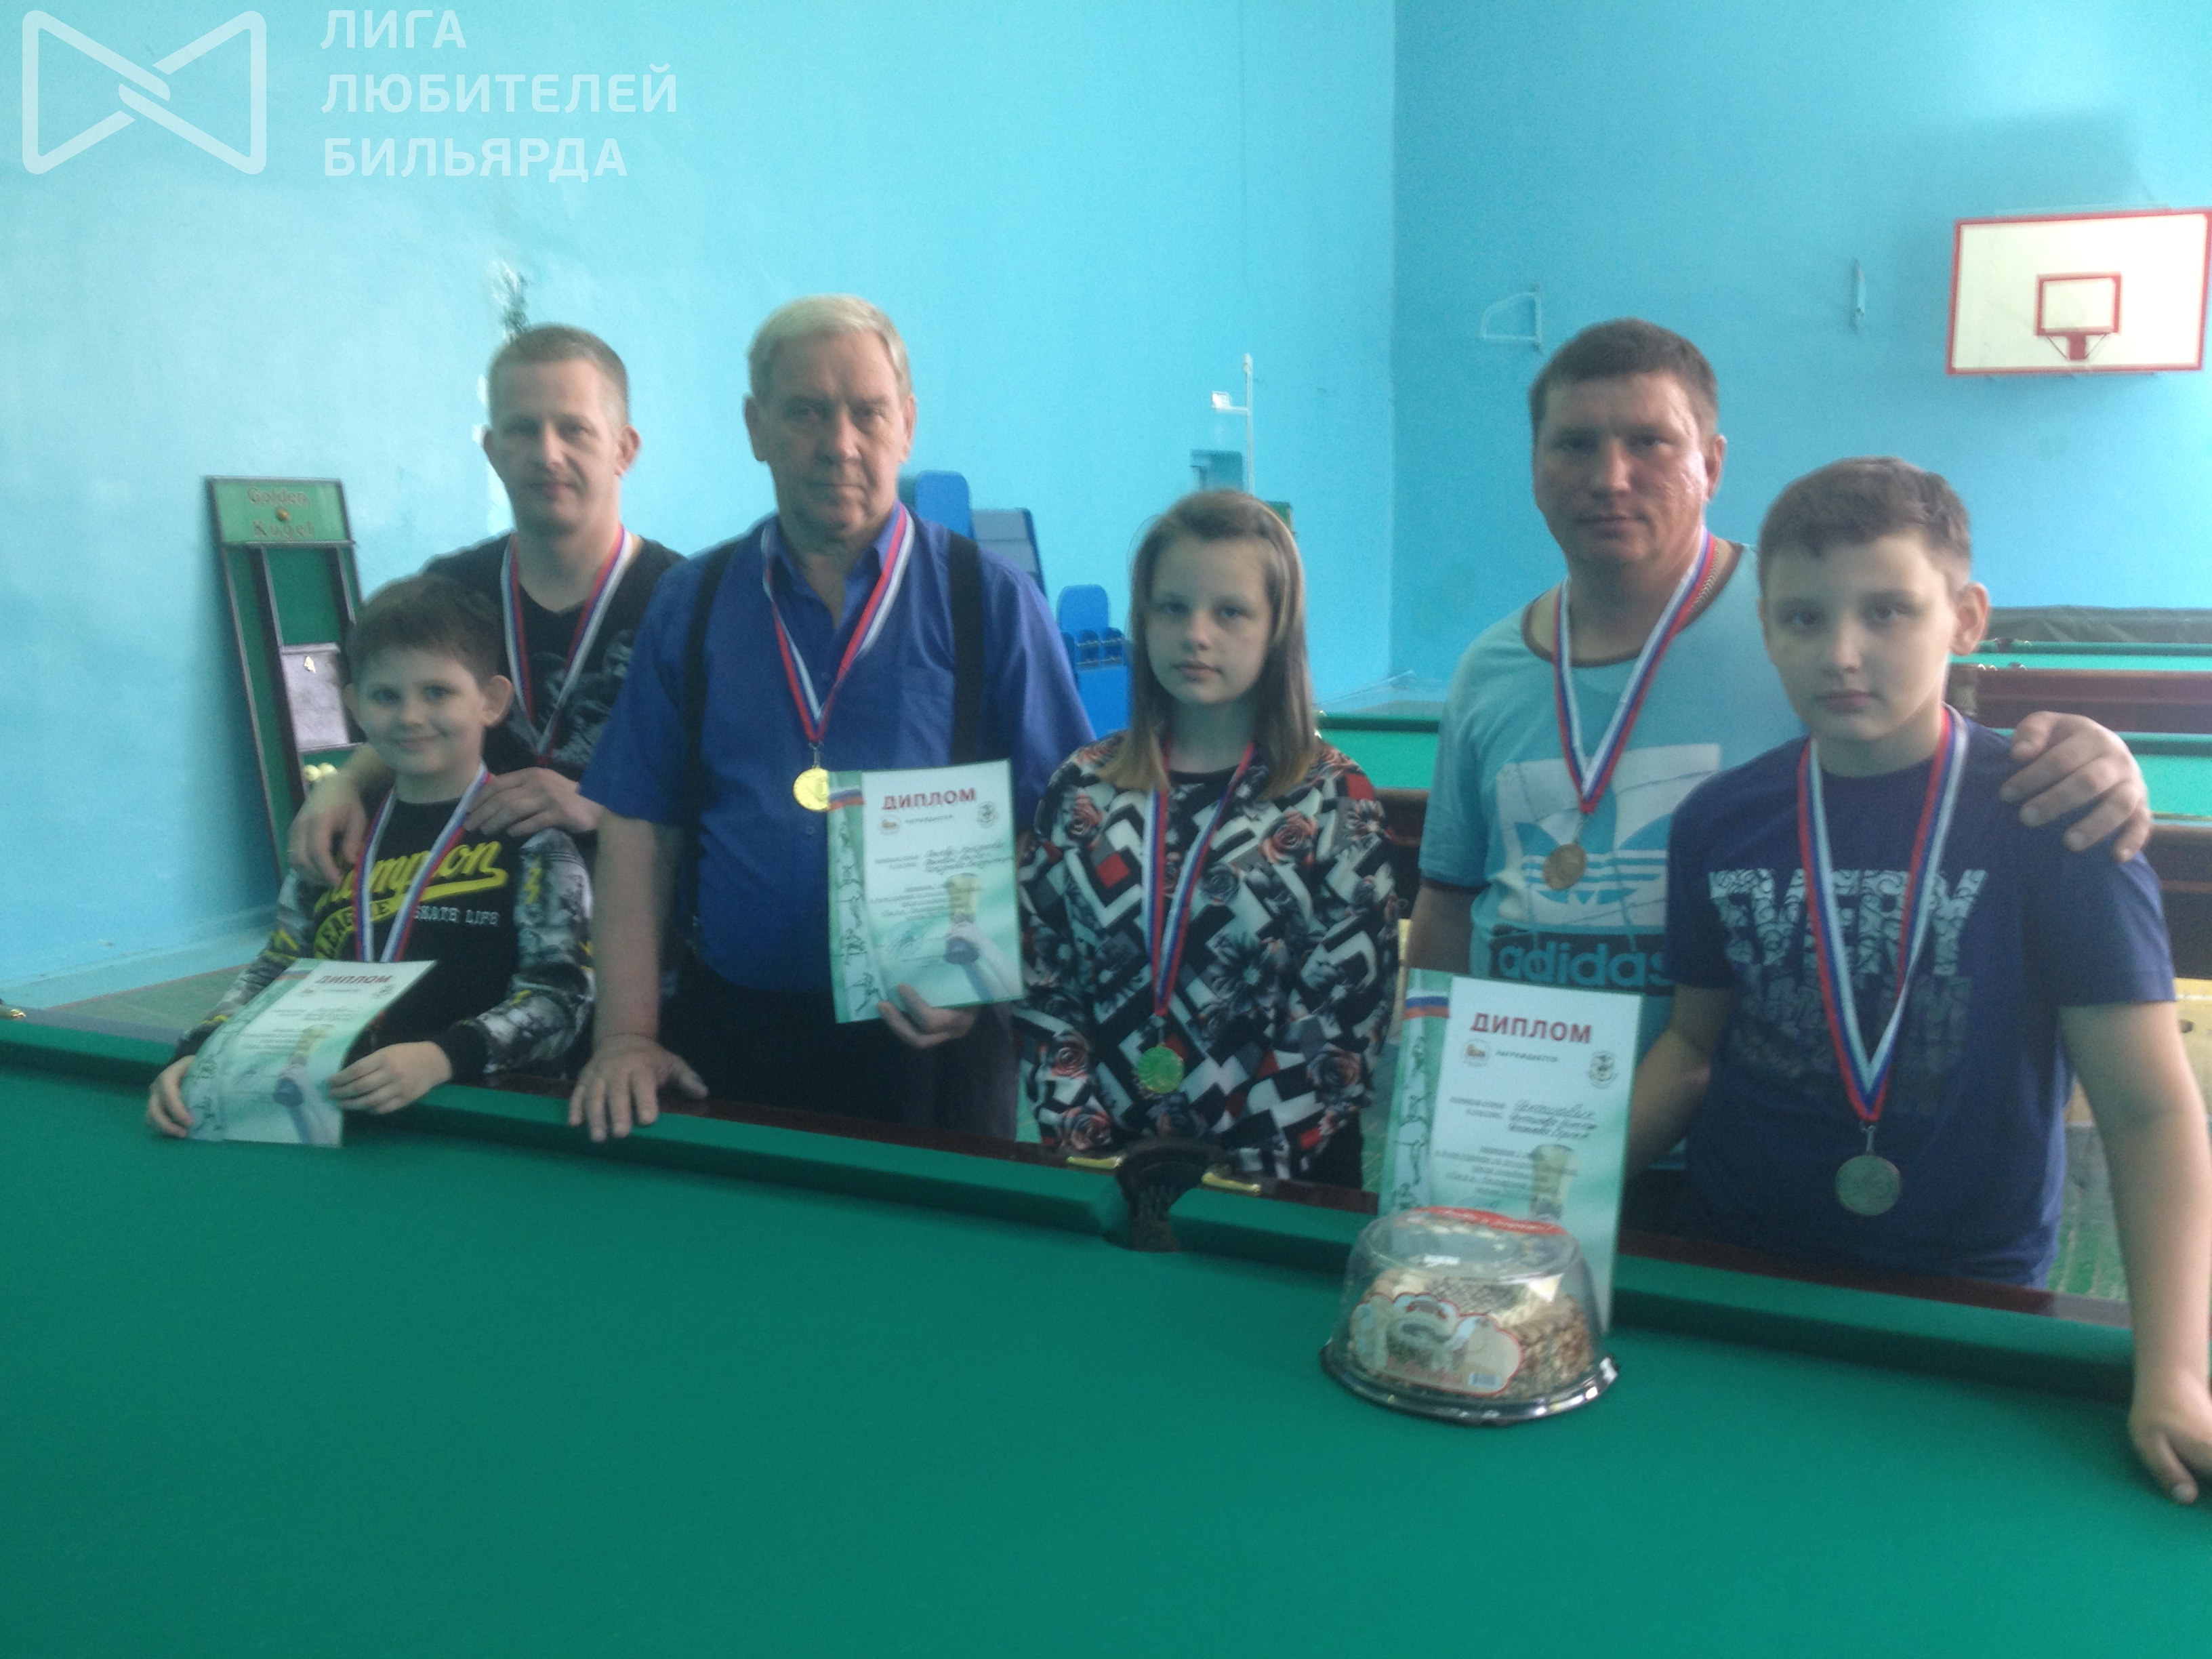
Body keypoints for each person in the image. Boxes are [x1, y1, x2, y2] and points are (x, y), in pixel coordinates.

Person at [1629, 457, 2212, 1502]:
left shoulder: (2056, 815)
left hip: (1967, 1290)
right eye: (1803, 618)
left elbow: (2149, 1112)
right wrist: (1544, 1201)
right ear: (1766, 629)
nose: (1842, 653)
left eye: (1888, 611)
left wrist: (2174, 1372)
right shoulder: (1718, 820)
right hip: (1739, 1267)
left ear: (1966, 618)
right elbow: (1691, 1049)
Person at [1405, 319, 2154, 1057]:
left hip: (1734, 1109)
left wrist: (2098, 756)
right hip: (1510, 1107)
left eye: (1650, 442)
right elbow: (1448, 899)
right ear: (1535, 467)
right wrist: (1424, 1076)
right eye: (1574, 444)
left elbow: (1937, 780)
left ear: (1711, 465)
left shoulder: (1808, 623)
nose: (1610, 478)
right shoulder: (1488, 668)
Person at [570, 295, 1092, 1141]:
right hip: (730, 1039)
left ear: (907, 425)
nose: (840, 443)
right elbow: (639, 830)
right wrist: (626, 1035)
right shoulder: (691, 602)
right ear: (757, 427)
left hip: (937, 1044)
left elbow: (1063, 829)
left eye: (867, 412)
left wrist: (994, 970)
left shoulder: (992, 602)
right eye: (806, 412)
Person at [1015, 491, 1399, 1185]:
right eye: (1172, 607)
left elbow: (1343, 1012)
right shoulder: (1081, 789)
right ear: (1142, 619)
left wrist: (1243, 1176)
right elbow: (1044, 980)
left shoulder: (1335, 799)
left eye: (1230, 611)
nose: (1195, 633)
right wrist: (1085, 1143)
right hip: (1106, 1170)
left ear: (1277, 627)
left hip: (1281, 1180)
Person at [148, 577, 594, 1132]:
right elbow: (277, 968)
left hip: (482, 1122)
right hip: (334, 1110)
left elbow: (561, 999)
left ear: (491, 701)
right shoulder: (336, 837)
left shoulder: (533, 842)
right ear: (355, 705)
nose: (410, 716)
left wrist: (442, 1057)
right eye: (386, 696)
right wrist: (203, 1048)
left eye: (438, 692)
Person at [288, 325, 680, 884]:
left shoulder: (685, 599)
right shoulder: (451, 587)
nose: (548, 454)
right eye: (523, 430)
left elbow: (725, 774)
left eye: (574, 429)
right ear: (493, 451)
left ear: (624, 449)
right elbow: (411, 713)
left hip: (633, 901)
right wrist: (345, 782)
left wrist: (602, 807)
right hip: (471, 894)